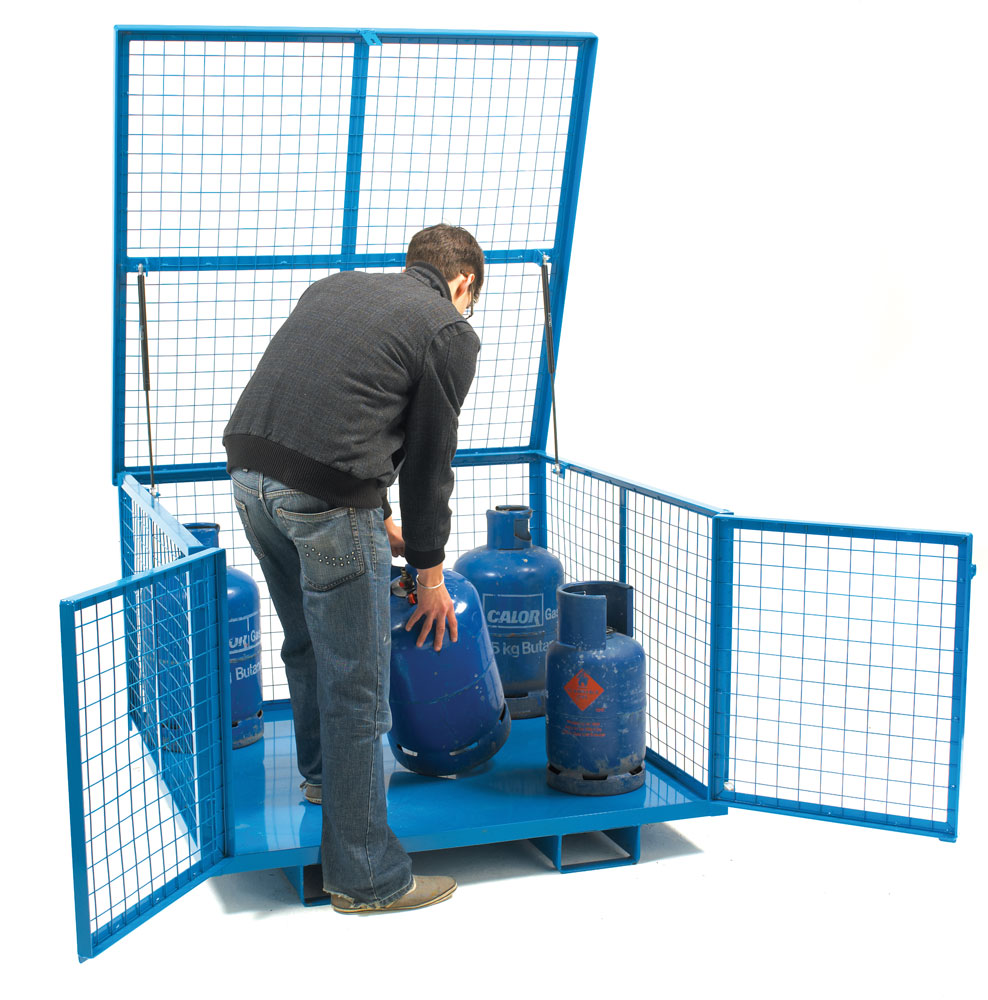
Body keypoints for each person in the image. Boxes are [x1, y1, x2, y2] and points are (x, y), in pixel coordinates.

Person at [223, 224, 483, 913]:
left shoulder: (338, 286)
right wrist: (429, 577)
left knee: (309, 641)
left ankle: (319, 780)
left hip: (250, 479)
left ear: (410, 266)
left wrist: (373, 518)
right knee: (359, 688)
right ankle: (367, 877)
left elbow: (339, 406)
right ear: (462, 284)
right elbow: (430, 466)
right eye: (471, 301)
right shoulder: (447, 330)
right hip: (323, 503)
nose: (466, 315)